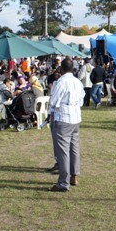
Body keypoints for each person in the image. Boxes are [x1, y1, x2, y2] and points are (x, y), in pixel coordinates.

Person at [47, 58, 85, 192]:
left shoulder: (60, 82)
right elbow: (81, 99)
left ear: (61, 69)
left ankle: (63, 182)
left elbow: (53, 101)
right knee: (74, 148)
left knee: (63, 151)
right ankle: (74, 176)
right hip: (75, 117)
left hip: (63, 118)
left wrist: (50, 113)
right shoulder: (77, 82)